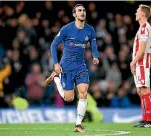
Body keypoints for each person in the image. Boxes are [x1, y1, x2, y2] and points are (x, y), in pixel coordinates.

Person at [45, 4, 99, 132]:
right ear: (75, 14)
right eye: (79, 10)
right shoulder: (66, 29)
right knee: (69, 98)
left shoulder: (90, 30)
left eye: (84, 10)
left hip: (81, 66)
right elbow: (53, 45)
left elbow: (94, 46)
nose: (82, 12)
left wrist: (95, 57)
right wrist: (56, 64)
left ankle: (78, 124)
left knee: (84, 92)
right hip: (67, 67)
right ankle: (57, 79)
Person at [130, 4, 151, 128]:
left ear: (142, 14)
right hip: (140, 63)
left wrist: (133, 62)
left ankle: (149, 120)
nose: (135, 13)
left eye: (137, 11)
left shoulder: (145, 28)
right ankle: (144, 119)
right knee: (140, 91)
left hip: (142, 63)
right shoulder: (142, 28)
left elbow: (142, 49)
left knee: (145, 89)